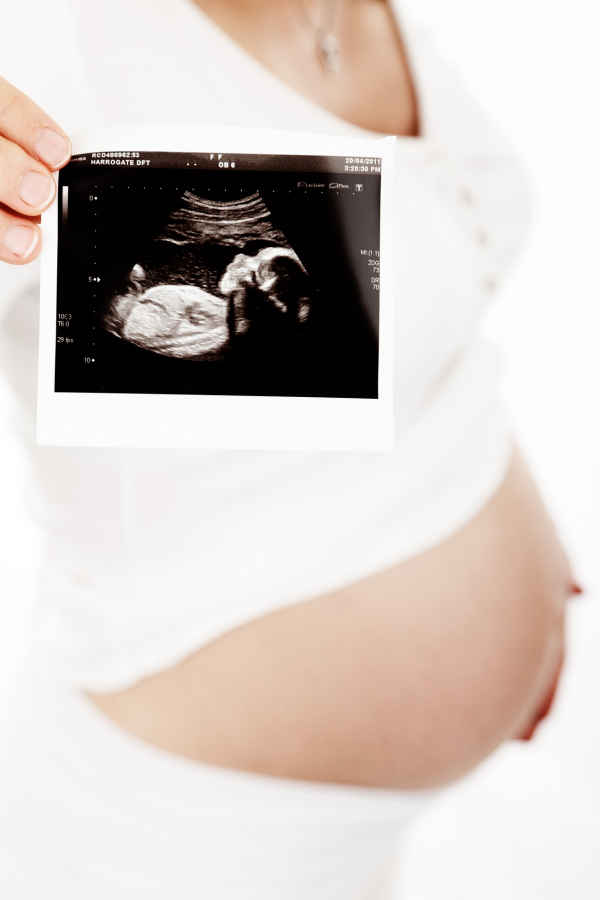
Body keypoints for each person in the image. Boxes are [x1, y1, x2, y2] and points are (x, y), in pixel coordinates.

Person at [0, 1, 581, 897]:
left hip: (363, 822)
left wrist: (490, 526)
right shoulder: (40, 40)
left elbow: (436, 335)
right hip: (174, 838)